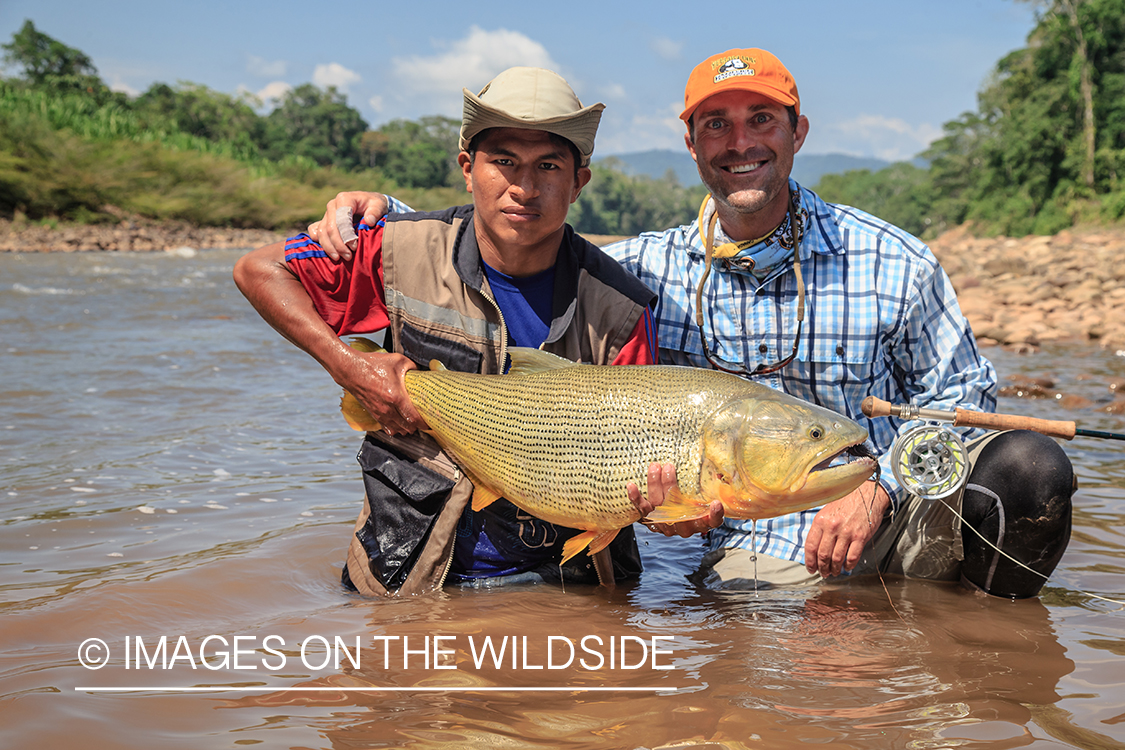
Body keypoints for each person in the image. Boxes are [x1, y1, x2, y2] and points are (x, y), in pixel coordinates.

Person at [307, 50, 1074, 599]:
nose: (739, 144)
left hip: (871, 516)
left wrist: (877, 482)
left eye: (760, 120)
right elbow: (517, 229)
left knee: (1026, 470)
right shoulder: (643, 270)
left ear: (796, 131)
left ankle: (983, 677)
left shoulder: (895, 260)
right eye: (715, 126)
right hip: (712, 551)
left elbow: (963, 408)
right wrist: (376, 216)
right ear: (691, 144)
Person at [234, 67, 659, 597]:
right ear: (467, 168)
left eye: (548, 166)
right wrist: (349, 366)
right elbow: (260, 270)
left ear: (578, 182)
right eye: (503, 161)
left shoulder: (620, 309)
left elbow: (647, 469)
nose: (524, 187)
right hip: (405, 575)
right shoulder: (395, 250)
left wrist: (671, 510)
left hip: (568, 590)